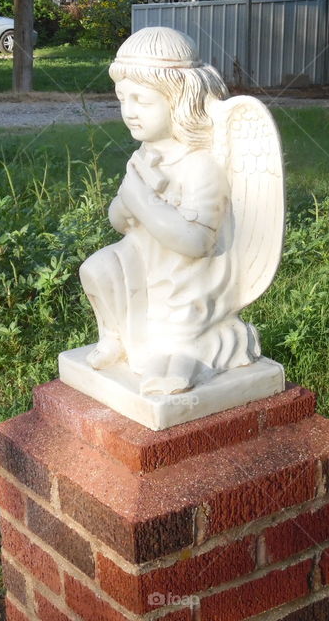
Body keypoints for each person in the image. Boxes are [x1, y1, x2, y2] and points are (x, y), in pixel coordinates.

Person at [80, 27, 273, 395]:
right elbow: (120, 222)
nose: (130, 112)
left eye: (143, 101)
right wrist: (125, 204)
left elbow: (197, 242)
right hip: (143, 257)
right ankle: (116, 336)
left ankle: (185, 355)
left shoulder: (199, 165)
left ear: (180, 102)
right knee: (96, 269)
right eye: (124, 99)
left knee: (171, 348)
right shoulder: (144, 156)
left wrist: (141, 201)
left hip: (191, 276)